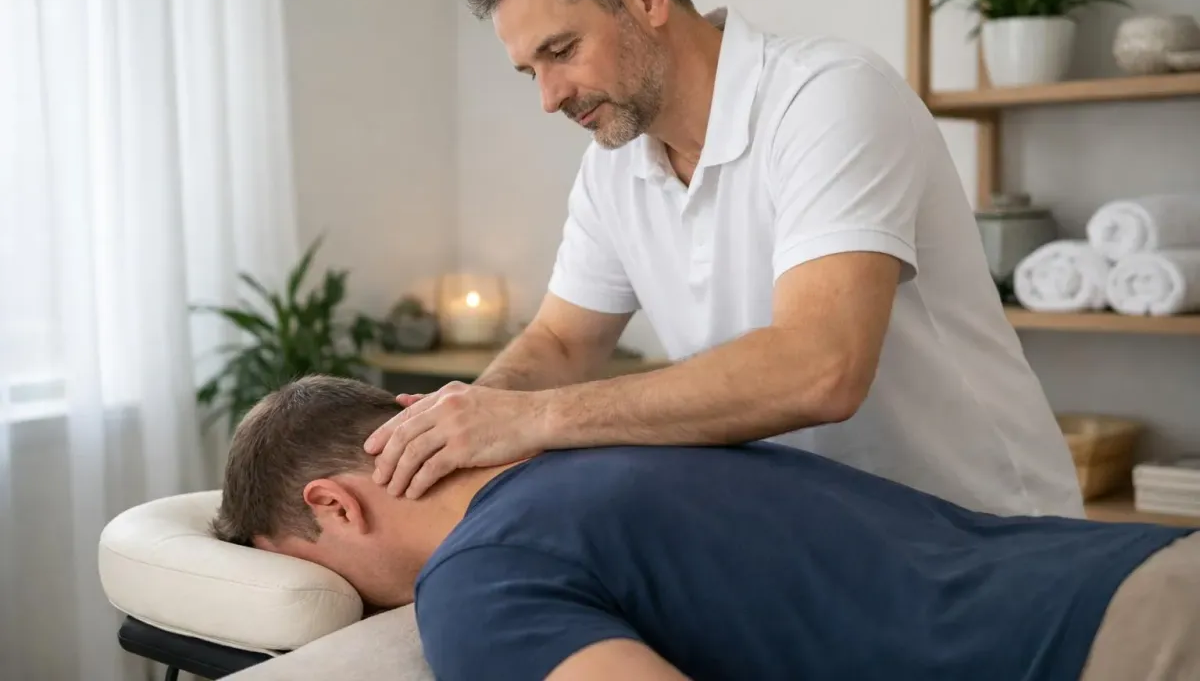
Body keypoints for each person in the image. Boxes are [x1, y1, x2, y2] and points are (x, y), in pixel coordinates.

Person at [362, 0, 1082, 519]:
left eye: (562, 50)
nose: (549, 98)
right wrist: (470, 416)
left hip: (988, 531)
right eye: (530, 72)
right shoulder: (612, 170)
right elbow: (561, 343)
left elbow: (821, 367)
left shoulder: (826, 97)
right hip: (826, 549)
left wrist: (534, 418)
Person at [215, 376, 1200, 681]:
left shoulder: (475, 582)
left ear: (335, 505)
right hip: (1142, 566)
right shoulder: (623, 435)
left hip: (1108, 653)